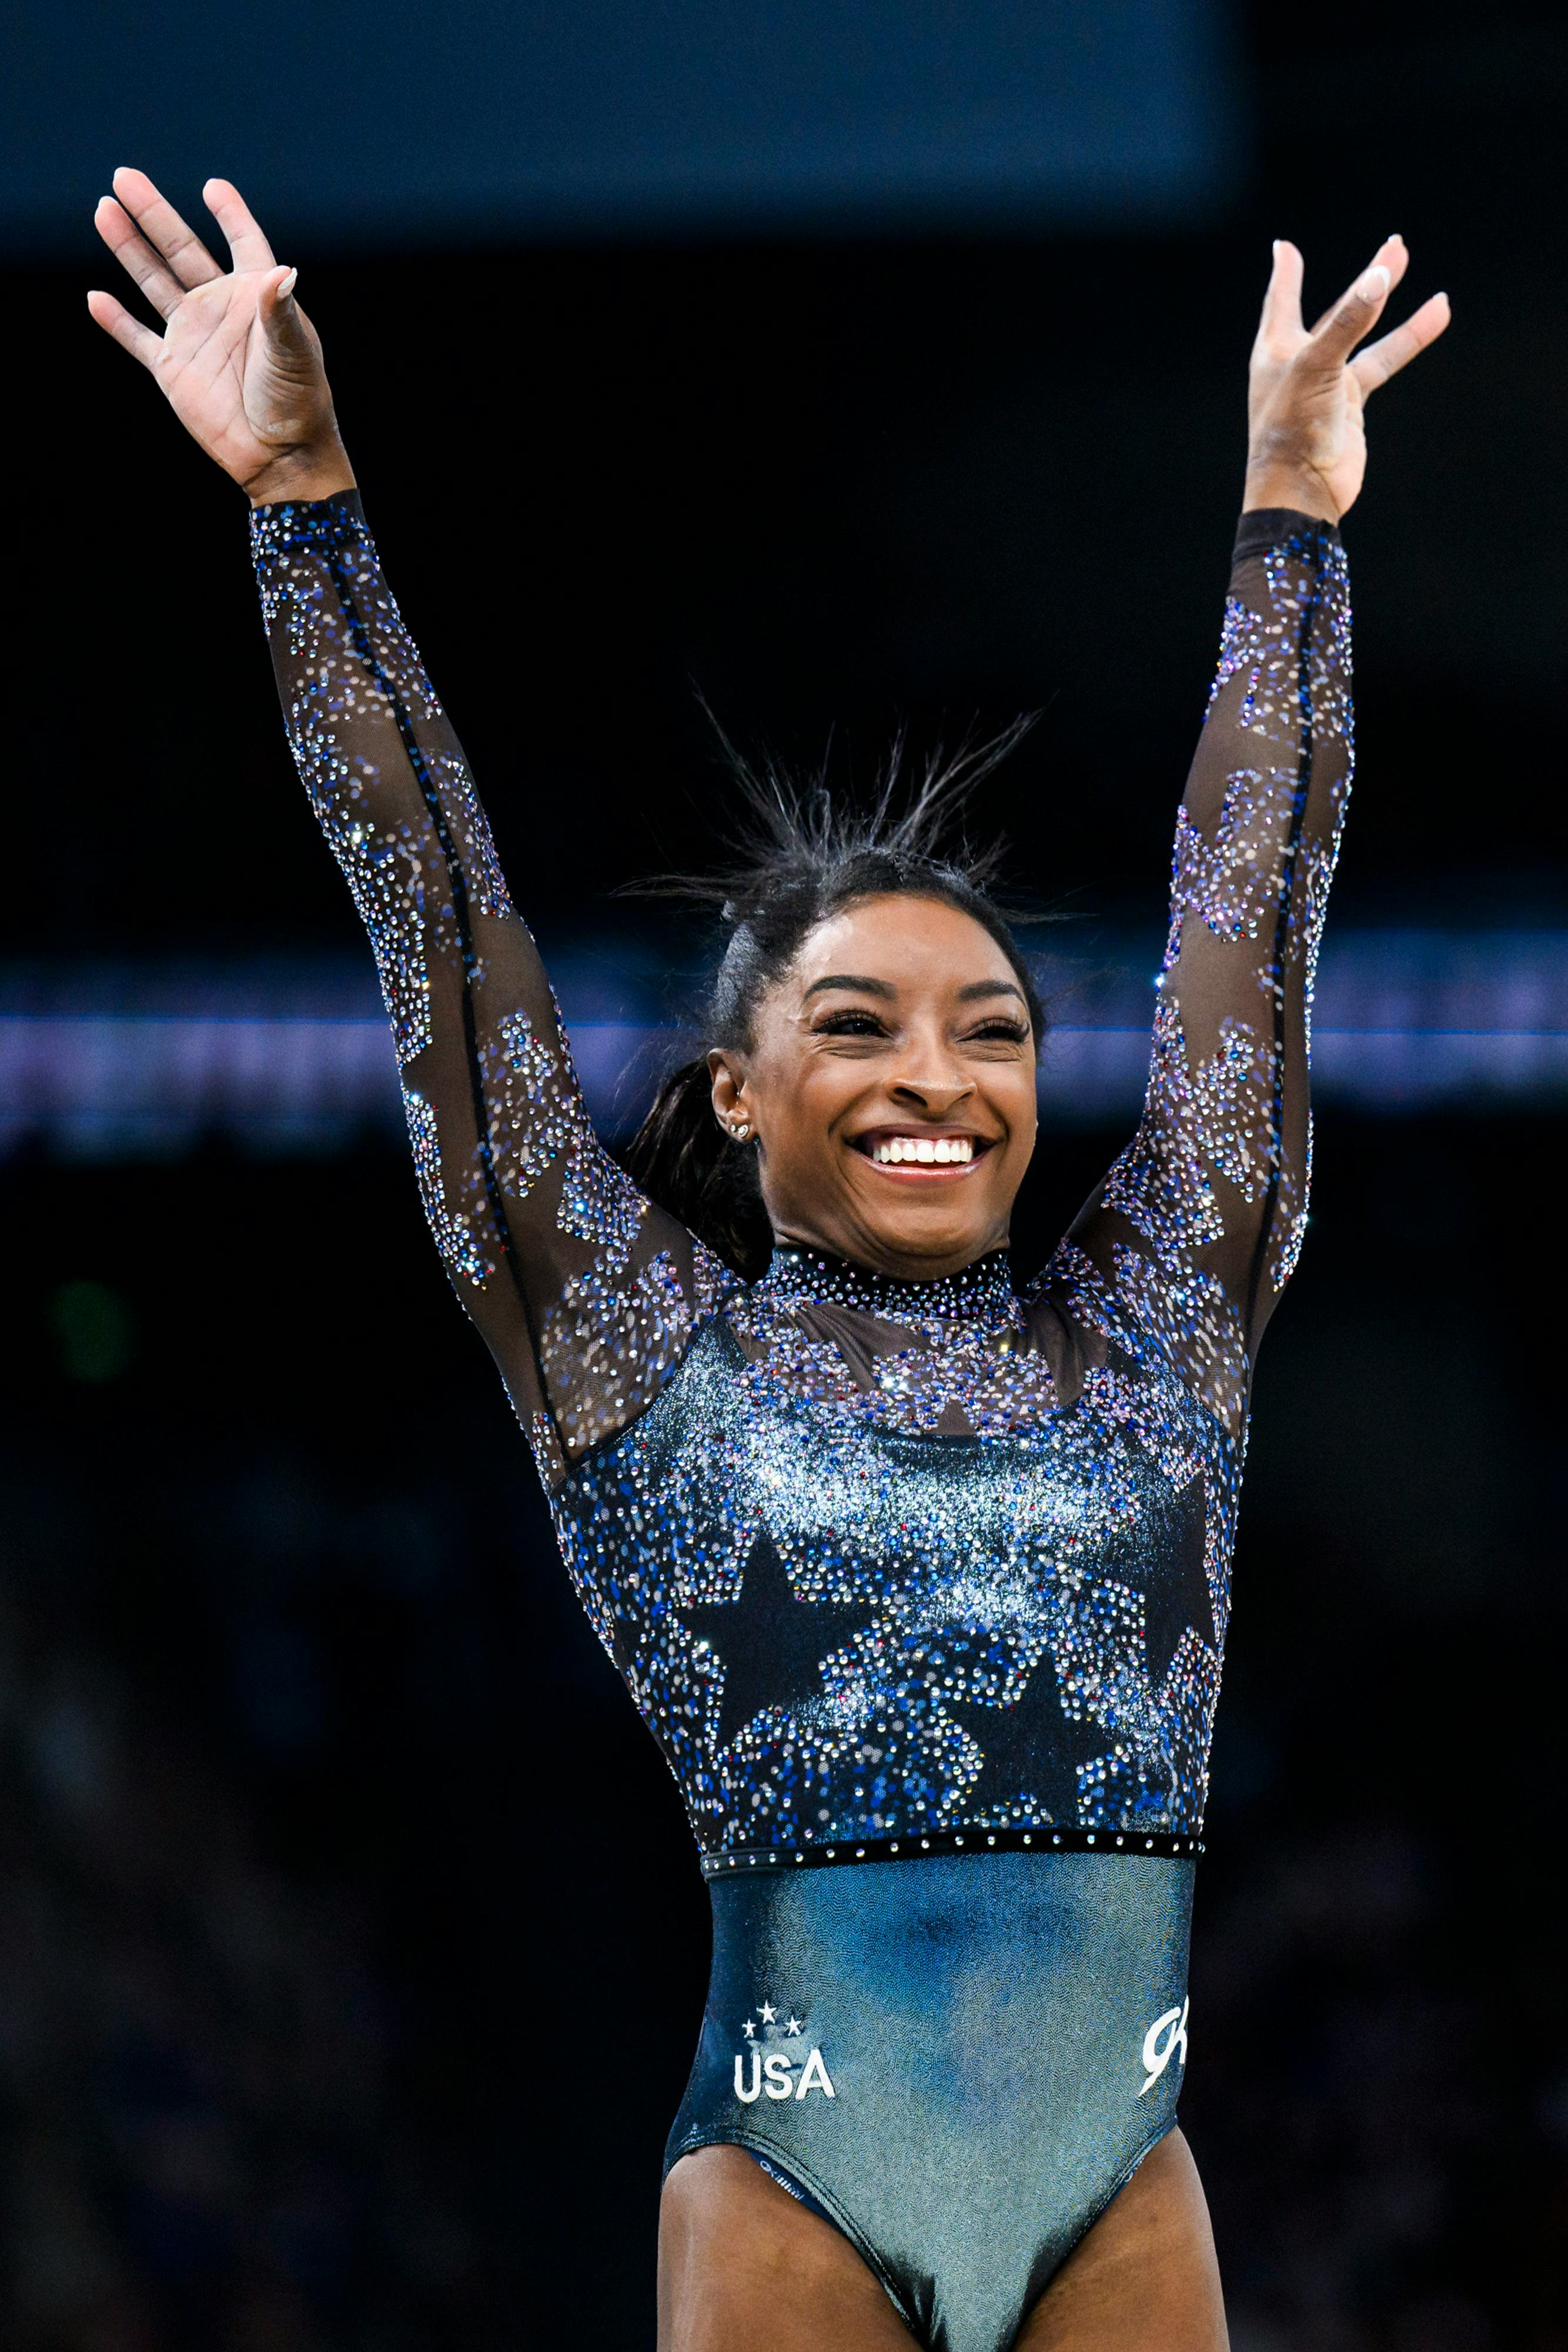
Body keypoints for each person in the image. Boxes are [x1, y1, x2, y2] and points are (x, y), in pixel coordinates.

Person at [88, 168, 1449, 2351]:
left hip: (1127, 2183)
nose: (942, 1076)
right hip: (797, 2177)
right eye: (858, 1026)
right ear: (737, 1093)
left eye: (993, 1030)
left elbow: (1250, 936)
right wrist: (303, 497)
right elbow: (444, 942)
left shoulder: (1156, 1329)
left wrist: (1292, 519)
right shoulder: (639, 1350)